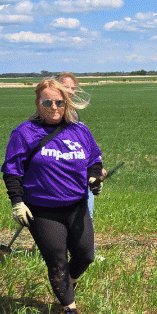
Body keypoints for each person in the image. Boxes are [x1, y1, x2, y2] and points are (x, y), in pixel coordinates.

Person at [2, 78, 104, 314]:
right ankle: (69, 308)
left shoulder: (79, 131)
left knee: (86, 256)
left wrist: (94, 177)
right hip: (42, 210)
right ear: (38, 103)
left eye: (59, 102)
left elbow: (94, 160)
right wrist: (17, 202)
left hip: (76, 206)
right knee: (57, 259)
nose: (54, 107)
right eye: (47, 102)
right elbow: (12, 171)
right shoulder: (24, 132)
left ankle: (68, 284)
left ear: (67, 103)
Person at [55, 73, 103, 217]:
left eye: (73, 88)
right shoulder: (52, 113)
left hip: (80, 176)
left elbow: (79, 144)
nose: (71, 91)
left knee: (86, 218)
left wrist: (94, 169)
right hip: (62, 178)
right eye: (66, 87)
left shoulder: (72, 112)